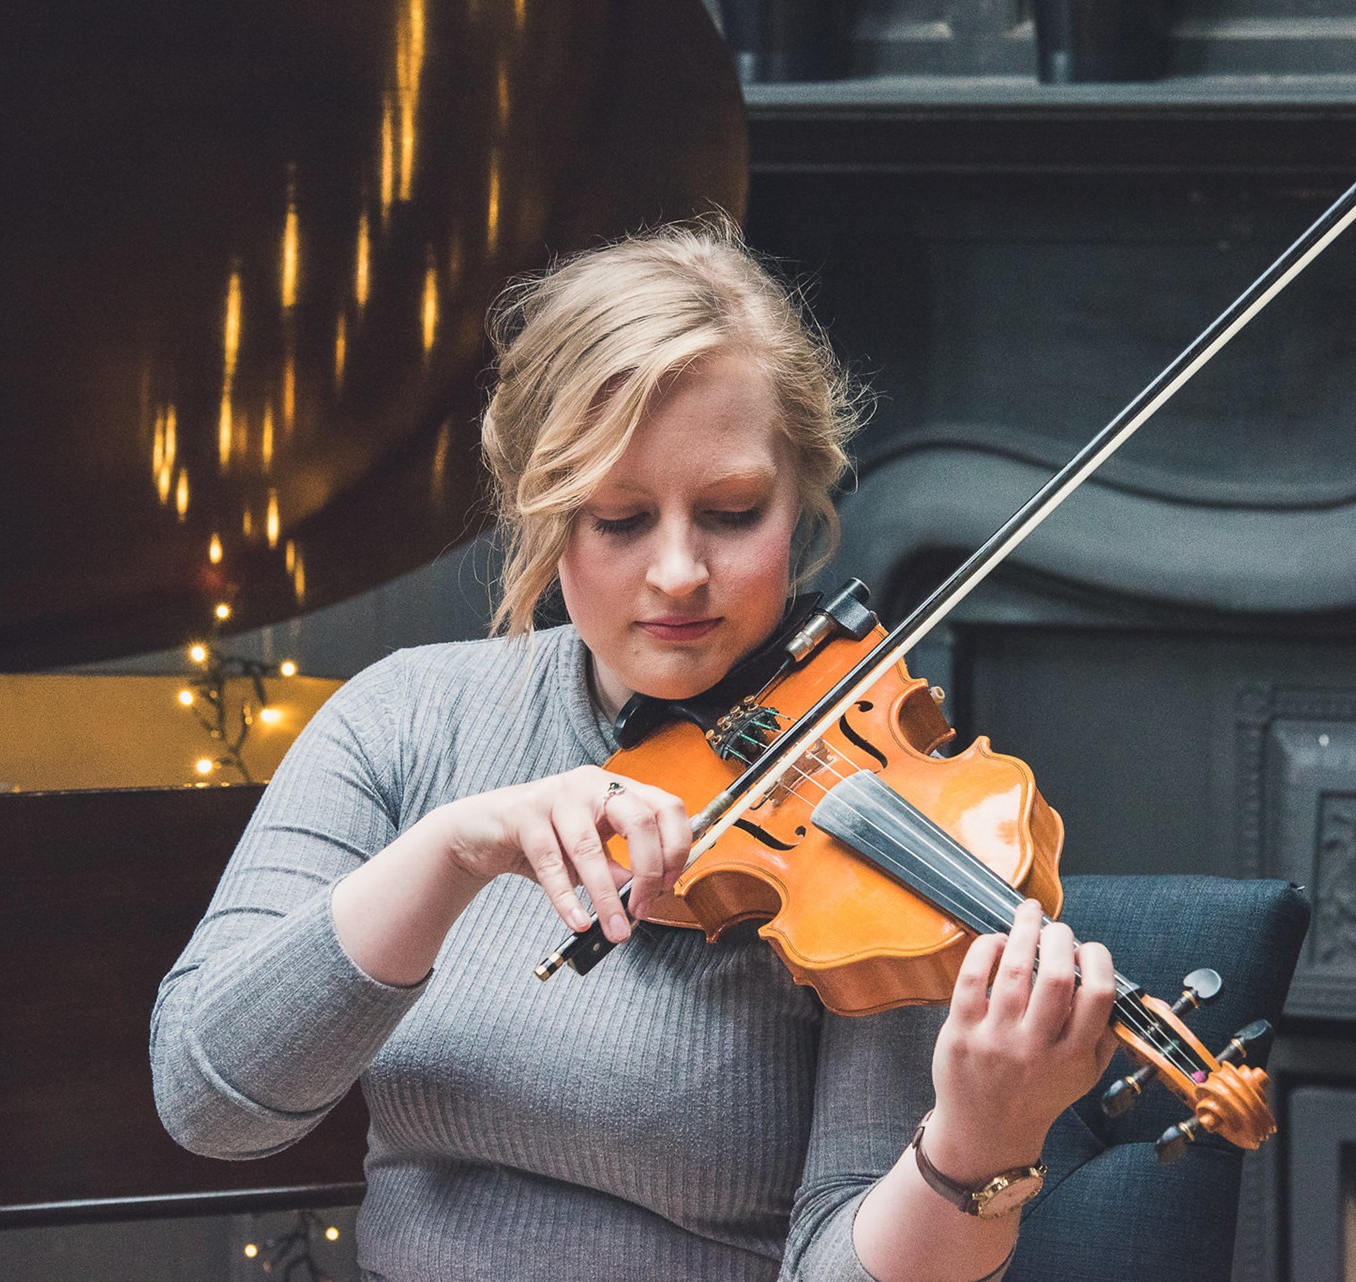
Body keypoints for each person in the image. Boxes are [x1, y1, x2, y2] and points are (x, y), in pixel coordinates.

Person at [151, 219, 1121, 1282]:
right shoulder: (405, 718)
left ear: (800, 498)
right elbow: (209, 1104)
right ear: (542, 510)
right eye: (617, 519)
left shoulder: (882, 813)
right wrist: (450, 853)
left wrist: (973, 1147)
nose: (676, 574)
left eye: (731, 512)